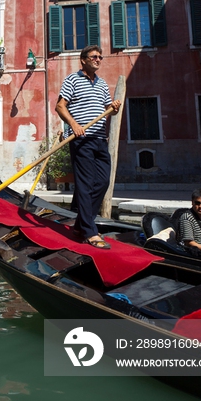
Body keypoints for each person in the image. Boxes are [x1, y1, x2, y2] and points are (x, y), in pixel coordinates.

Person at [55, 45, 121, 250]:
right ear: (83, 60)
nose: (98, 59)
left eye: (100, 57)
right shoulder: (72, 80)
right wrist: (73, 125)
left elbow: (107, 112)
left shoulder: (102, 84)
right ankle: (90, 231)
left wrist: (113, 109)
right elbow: (60, 106)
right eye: (94, 56)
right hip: (81, 139)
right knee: (85, 184)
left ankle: (80, 225)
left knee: (102, 182)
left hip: (100, 139)